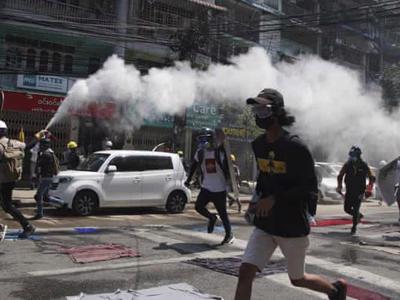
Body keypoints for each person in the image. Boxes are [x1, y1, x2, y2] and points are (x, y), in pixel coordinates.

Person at [234, 89, 346, 300]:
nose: (258, 114)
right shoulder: (258, 145)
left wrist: (275, 199)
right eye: (256, 109)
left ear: (277, 112)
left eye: (264, 109)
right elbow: (265, 179)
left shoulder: (296, 147)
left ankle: (334, 290)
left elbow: (309, 188)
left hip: (291, 225)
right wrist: (256, 199)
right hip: (266, 224)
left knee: (297, 278)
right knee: (245, 272)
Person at [185, 127, 234, 245]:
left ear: (211, 139)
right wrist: (188, 179)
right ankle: (212, 218)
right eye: (200, 140)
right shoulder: (200, 153)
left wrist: (231, 185)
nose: (202, 143)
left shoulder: (219, 153)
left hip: (220, 189)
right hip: (206, 187)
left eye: (204, 140)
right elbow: (194, 165)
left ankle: (229, 234)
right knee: (198, 207)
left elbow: (228, 168)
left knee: (223, 214)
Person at [0, 120, 35, 238]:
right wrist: (38, 137)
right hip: (10, 179)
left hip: (2, 180)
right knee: (6, 205)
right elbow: (29, 145)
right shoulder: (14, 143)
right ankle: (27, 226)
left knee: (7, 205)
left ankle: (27, 226)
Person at [336, 146, 375, 235]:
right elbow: (340, 175)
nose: (351, 156)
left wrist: (369, 189)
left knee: (356, 208)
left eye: (353, 155)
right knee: (347, 209)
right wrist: (339, 186)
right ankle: (358, 216)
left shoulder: (364, 165)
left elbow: (372, 177)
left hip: (359, 191)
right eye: (350, 155)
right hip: (349, 190)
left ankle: (354, 227)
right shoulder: (347, 164)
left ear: (358, 155)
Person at [34, 138, 59, 219]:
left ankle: (39, 213)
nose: (40, 146)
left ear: (45, 145)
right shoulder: (50, 153)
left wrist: (38, 155)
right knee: (45, 196)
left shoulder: (46, 154)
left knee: (38, 195)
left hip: (46, 177)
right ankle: (63, 204)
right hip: (48, 177)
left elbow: (39, 164)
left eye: (41, 145)